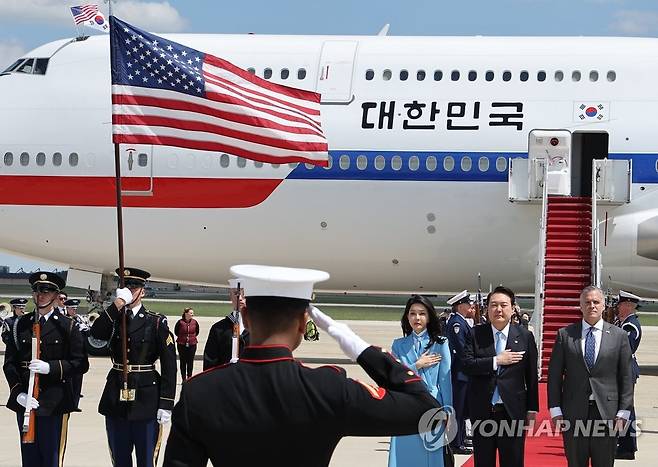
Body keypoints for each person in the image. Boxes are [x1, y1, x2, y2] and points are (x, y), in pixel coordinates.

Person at [164, 264, 443, 467]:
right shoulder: (329, 389)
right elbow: (426, 410)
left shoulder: (199, 393)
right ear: (302, 324)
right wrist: (357, 346)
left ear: (245, 317)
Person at [90, 267, 177, 467]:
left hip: (146, 399)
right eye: (126, 286)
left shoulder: (155, 322)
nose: (130, 290)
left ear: (143, 291)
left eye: (134, 286)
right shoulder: (114, 318)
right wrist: (117, 304)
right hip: (116, 397)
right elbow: (96, 333)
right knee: (120, 459)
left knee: (146, 460)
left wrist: (166, 403)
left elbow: (169, 367)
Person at [3, 272, 89, 467]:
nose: (40, 295)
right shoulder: (19, 325)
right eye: (37, 291)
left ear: (56, 295)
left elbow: (80, 363)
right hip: (25, 402)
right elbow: (10, 364)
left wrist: (50, 367)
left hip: (54, 403)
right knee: (29, 459)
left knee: (51, 459)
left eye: (46, 291)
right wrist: (17, 393)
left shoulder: (68, 326)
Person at [548, 286, 634, 467]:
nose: (592, 306)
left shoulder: (619, 336)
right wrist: (555, 410)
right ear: (580, 306)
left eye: (596, 302)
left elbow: (626, 376)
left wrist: (624, 411)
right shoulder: (565, 335)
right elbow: (554, 376)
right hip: (573, 413)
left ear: (604, 306)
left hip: (607, 414)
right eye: (587, 302)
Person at [462, 286, 539, 467]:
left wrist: (532, 408)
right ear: (487, 309)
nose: (498, 309)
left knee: (513, 461)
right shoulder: (475, 334)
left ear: (513, 309)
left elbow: (531, 376)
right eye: (493, 305)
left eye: (503, 305)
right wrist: (496, 361)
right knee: (483, 461)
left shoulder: (525, 336)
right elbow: (466, 365)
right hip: (483, 411)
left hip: (512, 412)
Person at [388, 294, 452, 467]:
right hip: (405, 407)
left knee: (430, 455)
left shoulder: (440, 343)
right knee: (404, 455)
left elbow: (445, 381)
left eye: (422, 313)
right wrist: (416, 365)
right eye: (412, 313)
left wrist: (448, 412)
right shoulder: (398, 345)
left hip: (431, 406)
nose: (417, 318)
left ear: (429, 316)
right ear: (407, 317)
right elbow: (393, 377)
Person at [445, 290, 475, 455]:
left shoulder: (462, 322)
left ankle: (461, 438)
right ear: (460, 306)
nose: (470, 306)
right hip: (460, 372)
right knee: (458, 409)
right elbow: (462, 348)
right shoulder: (457, 323)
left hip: (464, 372)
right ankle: (455, 443)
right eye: (468, 303)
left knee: (463, 409)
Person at [615, 290, 642, 460]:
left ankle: (627, 448)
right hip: (624, 370)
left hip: (625, 370)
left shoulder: (629, 326)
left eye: (620, 304)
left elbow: (626, 350)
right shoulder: (624, 323)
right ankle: (625, 445)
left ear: (627, 306)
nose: (617, 308)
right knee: (625, 408)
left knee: (626, 409)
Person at [202, 278, 250, 369]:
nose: (240, 298)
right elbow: (210, 364)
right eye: (236, 293)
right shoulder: (218, 329)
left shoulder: (259, 329)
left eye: (245, 295)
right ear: (230, 296)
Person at [64, 298, 89, 409]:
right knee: (69, 382)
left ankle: (75, 403)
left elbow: (88, 333)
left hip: (80, 354)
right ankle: (69, 403)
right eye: (72, 309)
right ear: (67, 309)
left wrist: (85, 329)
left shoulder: (79, 319)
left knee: (78, 381)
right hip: (68, 354)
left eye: (75, 309)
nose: (74, 311)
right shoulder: (64, 320)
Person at [174, 308, 200, 381]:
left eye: (192, 313)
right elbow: (176, 332)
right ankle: (183, 379)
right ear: (186, 314)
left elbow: (197, 332)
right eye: (191, 313)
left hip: (192, 344)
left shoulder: (195, 322)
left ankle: (189, 378)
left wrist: (191, 338)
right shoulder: (180, 322)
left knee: (190, 362)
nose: (192, 314)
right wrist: (183, 338)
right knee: (183, 362)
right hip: (181, 345)